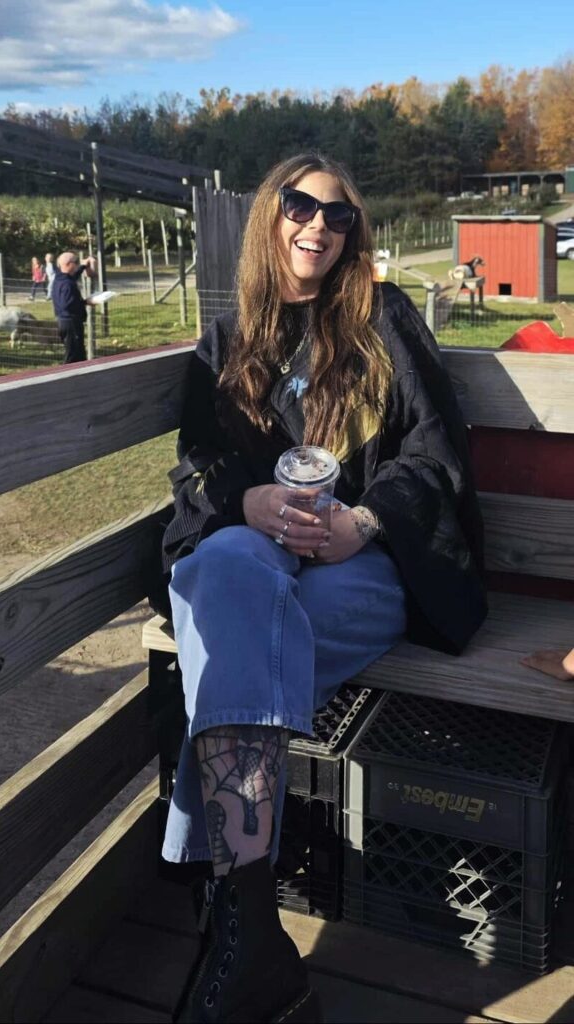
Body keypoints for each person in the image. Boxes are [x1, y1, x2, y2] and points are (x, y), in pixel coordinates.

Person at [157, 153, 488, 1024]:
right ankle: (251, 931)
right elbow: (200, 472)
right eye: (300, 207)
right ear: (270, 217)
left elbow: (432, 455)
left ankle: (241, 931)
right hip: (259, 554)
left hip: (363, 563)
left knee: (231, 650)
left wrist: (363, 523)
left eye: (338, 216)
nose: (317, 226)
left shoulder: (380, 317)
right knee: (226, 570)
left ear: (354, 236)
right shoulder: (228, 344)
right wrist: (249, 499)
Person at [51, 251, 97, 362]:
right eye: (75, 262)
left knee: (80, 354)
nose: (77, 264)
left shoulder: (60, 278)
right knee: (72, 356)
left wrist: (83, 267)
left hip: (65, 322)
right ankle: (66, 377)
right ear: (68, 264)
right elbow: (66, 305)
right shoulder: (67, 284)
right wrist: (86, 302)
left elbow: (73, 276)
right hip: (70, 323)